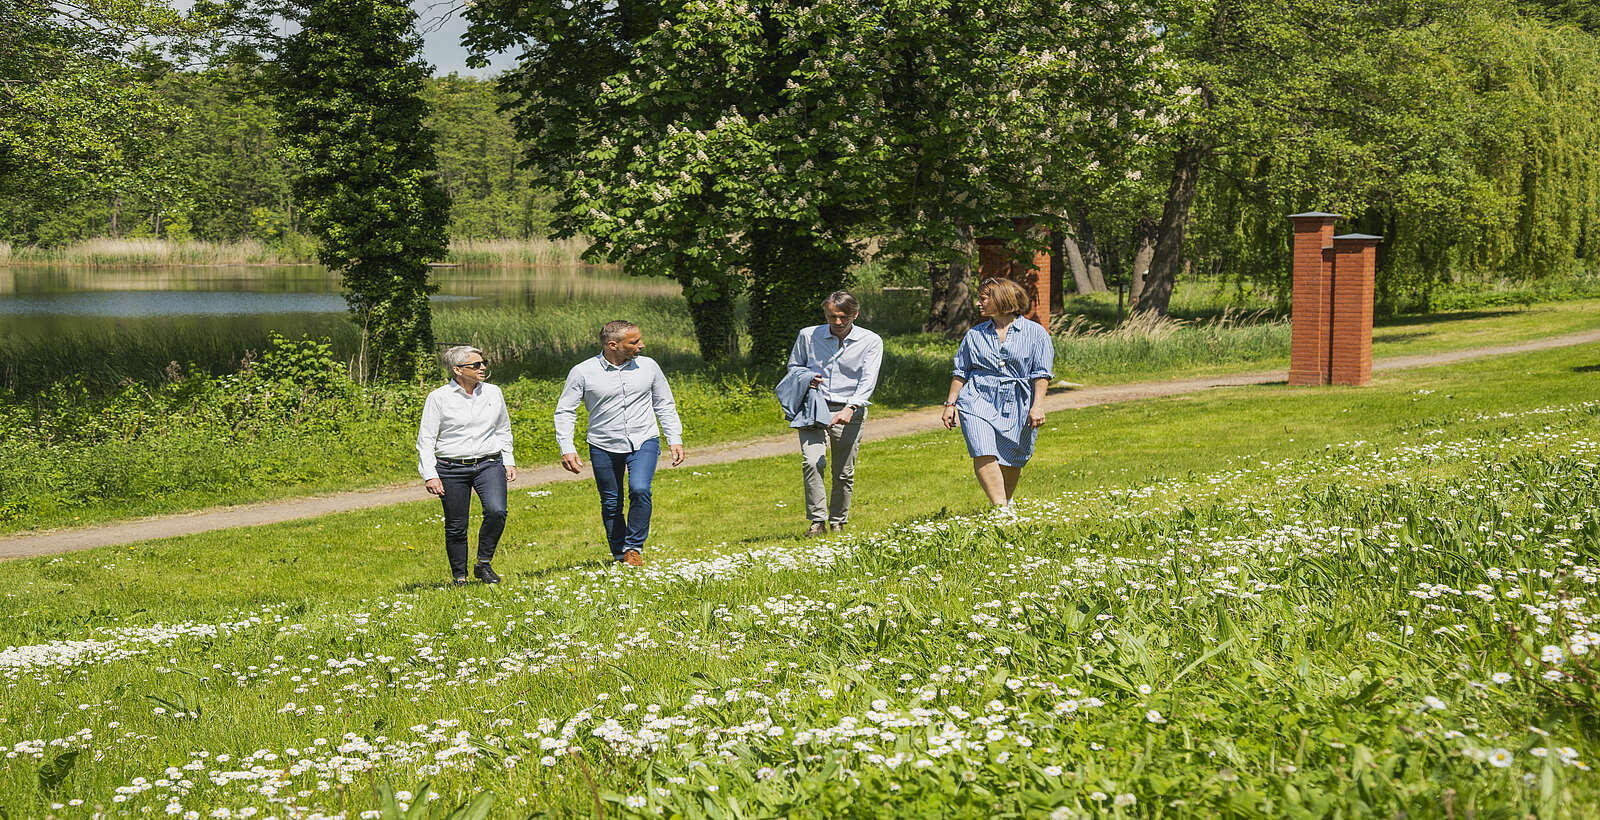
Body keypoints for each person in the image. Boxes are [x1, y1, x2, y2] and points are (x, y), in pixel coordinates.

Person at [554, 320, 685, 565]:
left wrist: (674, 438)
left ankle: (633, 548)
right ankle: (618, 553)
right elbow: (565, 411)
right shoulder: (583, 372)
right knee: (611, 502)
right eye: (634, 342)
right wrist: (567, 447)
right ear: (613, 345)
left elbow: (664, 403)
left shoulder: (649, 367)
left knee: (640, 489)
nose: (641, 345)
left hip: (644, 439)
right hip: (603, 444)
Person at [940, 278, 1054, 508]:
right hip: (977, 398)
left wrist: (1038, 405)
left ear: (1001, 299)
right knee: (982, 448)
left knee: (1014, 456)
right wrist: (950, 404)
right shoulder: (975, 335)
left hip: (1018, 400)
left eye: (984, 298)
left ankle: (1006, 501)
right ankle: (1000, 509)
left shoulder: (1036, 333)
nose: (978, 303)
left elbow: (1041, 373)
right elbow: (961, 371)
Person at [417, 345, 516, 585]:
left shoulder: (493, 393)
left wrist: (509, 460)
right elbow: (426, 438)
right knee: (456, 525)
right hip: (451, 468)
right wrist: (430, 474)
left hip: (489, 463)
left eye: (483, 363)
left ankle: (483, 563)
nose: (483, 368)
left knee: (497, 511)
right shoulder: (439, 397)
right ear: (457, 370)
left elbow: (503, 428)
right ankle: (459, 577)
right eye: (476, 365)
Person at [786, 291, 883, 536]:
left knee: (843, 471)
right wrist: (807, 378)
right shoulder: (808, 335)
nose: (837, 322)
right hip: (813, 405)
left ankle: (838, 520)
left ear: (855, 314)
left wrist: (851, 408)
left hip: (849, 407)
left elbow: (868, 380)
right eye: (832, 317)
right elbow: (794, 366)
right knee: (812, 461)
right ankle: (817, 521)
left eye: (843, 317)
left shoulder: (871, 341)